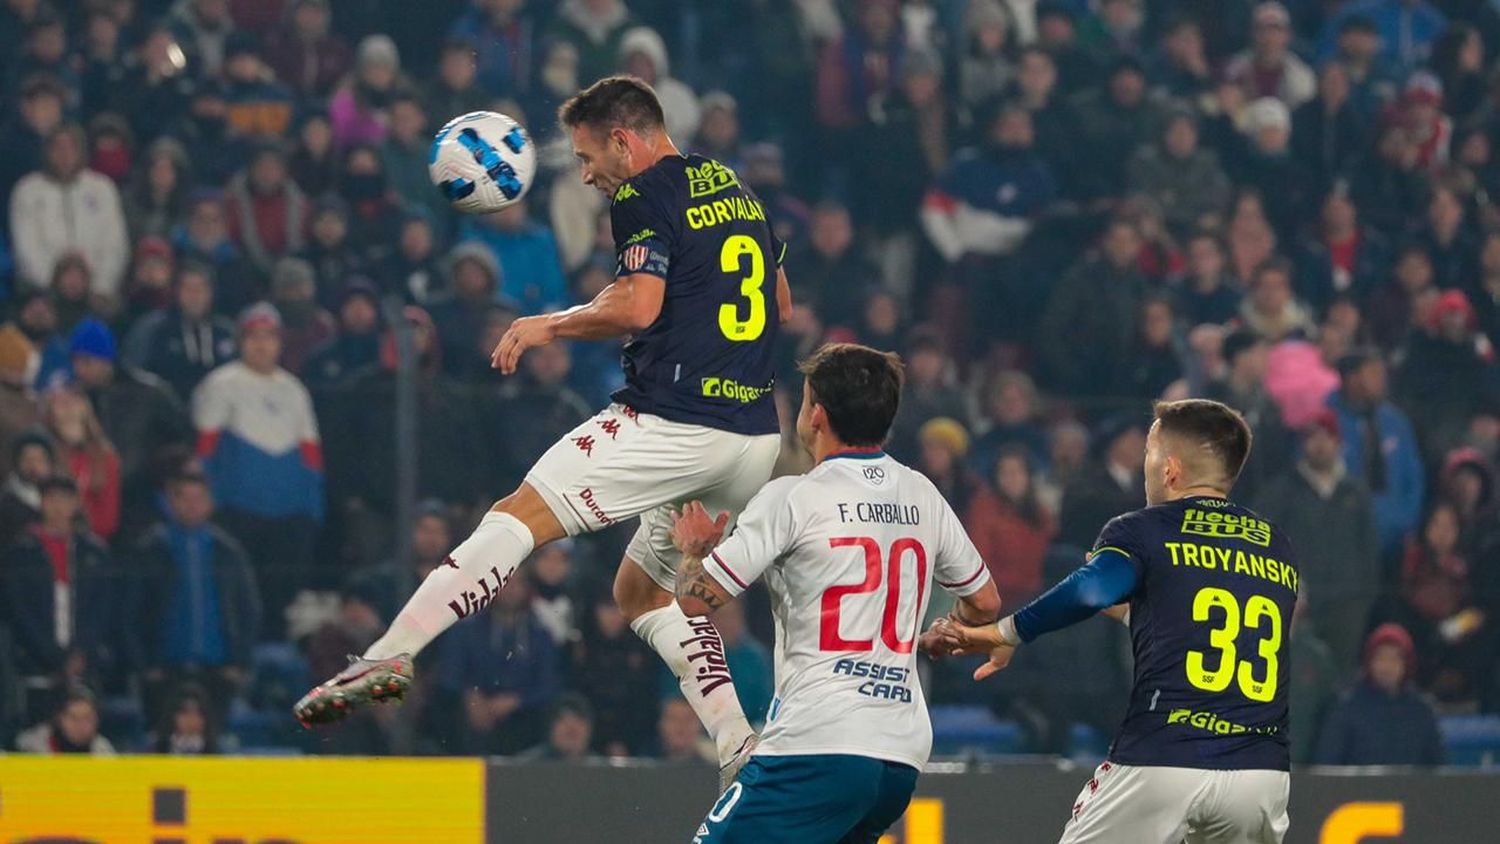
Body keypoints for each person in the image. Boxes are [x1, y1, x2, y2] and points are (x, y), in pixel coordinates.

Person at [296, 76, 792, 790]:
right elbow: (779, 300)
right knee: (641, 596)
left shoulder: (641, 195)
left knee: (515, 516)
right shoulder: (734, 187)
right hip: (752, 438)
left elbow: (639, 306)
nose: (587, 175)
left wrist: (546, 324)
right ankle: (739, 741)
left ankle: (391, 654)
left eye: (591, 158)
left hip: (675, 421)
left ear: (625, 140)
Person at [670, 342, 1000, 837]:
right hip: (900, 754)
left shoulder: (794, 497)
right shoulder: (921, 492)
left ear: (816, 414)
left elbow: (695, 600)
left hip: (818, 743)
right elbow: (985, 602)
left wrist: (693, 551)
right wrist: (936, 634)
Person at [943, 399, 1295, 843]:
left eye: (1149, 453)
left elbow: (1091, 589)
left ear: (1169, 469)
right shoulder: (1274, 544)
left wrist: (1008, 631)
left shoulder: (1144, 529)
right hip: (1259, 771)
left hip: (1165, 756)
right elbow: (1217, 634)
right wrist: (1136, 615)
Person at [193, 304, 323, 635]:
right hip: (237, 512)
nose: (261, 345)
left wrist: (312, 510)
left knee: (278, 601)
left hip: (288, 517)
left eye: (269, 337)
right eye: (253, 336)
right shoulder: (222, 384)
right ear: (241, 341)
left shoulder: (294, 390)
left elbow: (311, 457)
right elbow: (205, 451)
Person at [128, 472, 260, 721]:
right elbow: (130, 612)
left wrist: (239, 662)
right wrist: (145, 665)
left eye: (198, 498)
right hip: (164, 669)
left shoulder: (228, 551)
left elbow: (248, 610)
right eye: (184, 498)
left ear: (210, 502)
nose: (192, 505)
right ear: (170, 502)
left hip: (218, 670)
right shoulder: (151, 549)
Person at [1254, 412, 1379, 671]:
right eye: (1312, 437)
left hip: (1346, 609)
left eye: (1326, 436)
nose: (1320, 444)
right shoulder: (1281, 493)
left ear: (1338, 442)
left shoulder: (1356, 494)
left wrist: (1360, 601)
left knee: (1342, 681)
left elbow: (1369, 553)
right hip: (1297, 609)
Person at [1313, 623, 1444, 765]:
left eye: (1395, 659)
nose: (1387, 666)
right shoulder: (1347, 707)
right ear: (1369, 661)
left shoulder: (1422, 710)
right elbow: (1327, 763)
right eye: (1381, 658)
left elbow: (1437, 765)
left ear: (1407, 663)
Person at [15, 685, 116, 755]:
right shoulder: (32, 748)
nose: (81, 725)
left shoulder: (102, 751)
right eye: (73, 718)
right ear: (59, 719)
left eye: (87, 718)